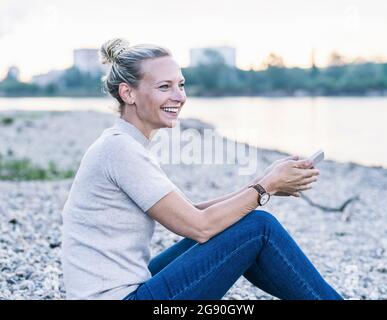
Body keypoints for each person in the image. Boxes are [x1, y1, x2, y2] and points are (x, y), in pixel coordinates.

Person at [61, 38, 343, 300]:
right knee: (259, 227)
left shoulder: (121, 145)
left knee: (241, 222)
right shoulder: (120, 150)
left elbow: (191, 213)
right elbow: (200, 227)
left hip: (129, 286)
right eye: (164, 87)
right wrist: (265, 188)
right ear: (128, 93)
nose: (179, 96)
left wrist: (263, 181)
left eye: (180, 85)